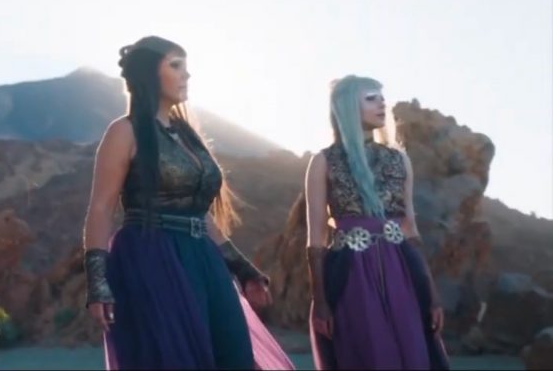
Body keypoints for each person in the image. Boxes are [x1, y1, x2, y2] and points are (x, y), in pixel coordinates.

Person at [81, 35, 294, 370]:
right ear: (149, 72)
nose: (187, 74)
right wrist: (97, 283)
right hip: (151, 255)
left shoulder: (187, 135)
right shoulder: (124, 132)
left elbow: (200, 212)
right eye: (176, 65)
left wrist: (242, 268)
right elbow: (101, 208)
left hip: (203, 256)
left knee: (234, 353)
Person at [304, 75, 450, 370]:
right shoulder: (324, 161)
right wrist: (320, 302)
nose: (382, 103)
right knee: (368, 352)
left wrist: (432, 296)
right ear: (346, 106)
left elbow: (411, 231)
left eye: (383, 98)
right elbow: (315, 241)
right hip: (351, 273)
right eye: (371, 98)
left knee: (414, 352)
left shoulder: (399, 160)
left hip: (402, 270)